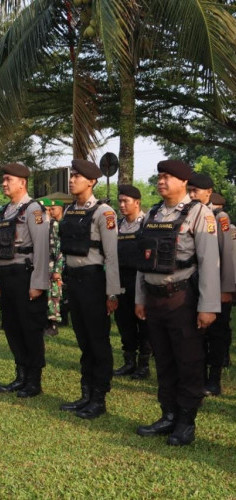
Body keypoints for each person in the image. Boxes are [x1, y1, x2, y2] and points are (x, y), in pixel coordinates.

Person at [135, 160, 219, 446]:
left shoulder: (200, 213)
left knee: (188, 361)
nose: (160, 181)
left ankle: (186, 421)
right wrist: (140, 297)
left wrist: (208, 306)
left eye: (167, 177)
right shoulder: (153, 214)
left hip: (183, 298)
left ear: (184, 182)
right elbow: (142, 261)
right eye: (159, 176)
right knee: (164, 360)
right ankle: (168, 414)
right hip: (155, 299)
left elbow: (209, 263)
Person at [58, 159, 121, 419]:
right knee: (83, 340)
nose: (72, 180)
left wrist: (112, 292)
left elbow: (112, 256)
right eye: (71, 176)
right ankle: (85, 394)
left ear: (91, 181)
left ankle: (99, 397)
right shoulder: (70, 210)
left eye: (77, 176)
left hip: (94, 281)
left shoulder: (103, 212)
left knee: (98, 341)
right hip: (73, 279)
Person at [0, 163, 50, 398]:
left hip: (25, 276)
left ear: (22, 183)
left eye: (8, 179)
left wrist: (38, 283)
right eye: (3, 179)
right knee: (12, 328)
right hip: (6, 277)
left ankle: (34, 380)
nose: (4, 183)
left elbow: (42, 248)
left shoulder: (34, 209)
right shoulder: (5, 211)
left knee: (30, 329)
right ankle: (21, 375)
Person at [187, 174, 234, 397]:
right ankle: (198, 376)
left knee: (216, 334)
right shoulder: (186, 213)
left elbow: (228, 254)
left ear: (209, 193)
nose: (192, 195)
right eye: (190, 190)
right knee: (197, 334)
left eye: (196, 191)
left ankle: (213, 379)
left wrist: (226, 289)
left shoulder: (219, 216)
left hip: (215, 285)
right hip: (193, 284)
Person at [113, 184, 151, 379]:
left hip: (139, 279)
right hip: (120, 280)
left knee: (143, 323)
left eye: (125, 201)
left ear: (137, 203)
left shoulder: (146, 224)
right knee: (124, 322)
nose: (121, 205)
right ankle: (129, 361)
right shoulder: (118, 225)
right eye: (120, 201)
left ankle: (143, 365)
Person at [212, 192, 234, 368]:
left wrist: (227, 286)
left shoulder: (223, 221)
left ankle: (223, 356)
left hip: (222, 279)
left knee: (222, 324)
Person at [38, 196, 65, 337]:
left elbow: (60, 249)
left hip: (52, 264)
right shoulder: (39, 225)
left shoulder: (54, 225)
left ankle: (53, 324)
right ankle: (43, 323)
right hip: (39, 265)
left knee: (53, 294)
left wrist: (57, 269)